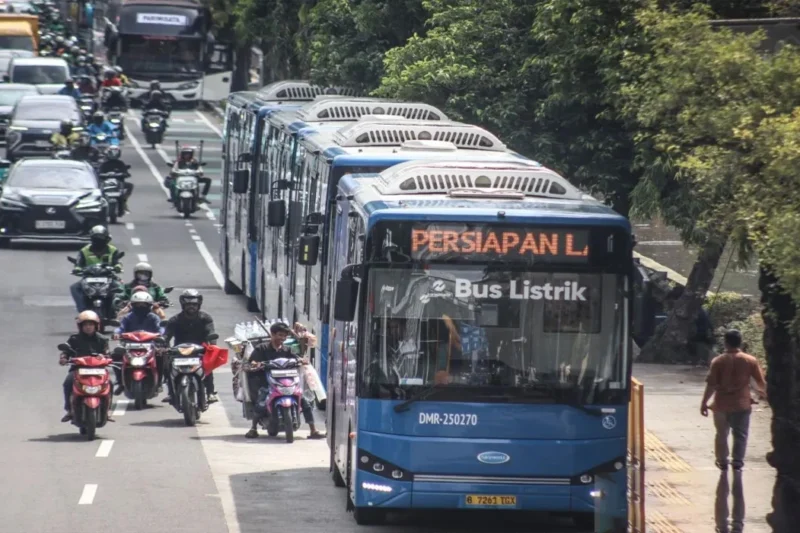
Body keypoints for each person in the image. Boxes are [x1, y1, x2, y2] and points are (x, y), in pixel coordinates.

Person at [244, 321, 325, 439]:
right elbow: (253, 362)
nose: (282, 338)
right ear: (272, 334)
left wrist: (302, 360)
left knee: (305, 402)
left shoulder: (287, 349)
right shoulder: (261, 348)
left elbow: (297, 358)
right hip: (267, 382)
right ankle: (253, 428)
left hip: (287, 382)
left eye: (284, 336)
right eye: (279, 335)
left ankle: (313, 430)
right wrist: (257, 364)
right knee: (261, 403)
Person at [700, 329, 767, 471]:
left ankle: (722, 461)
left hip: (720, 405)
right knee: (741, 434)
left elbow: (711, 385)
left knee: (721, 434)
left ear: (725, 342)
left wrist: (704, 403)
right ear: (740, 342)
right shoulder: (750, 360)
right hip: (742, 404)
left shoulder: (718, 361)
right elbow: (760, 383)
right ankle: (737, 462)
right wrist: (759, 396)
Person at [162, 289, 218, 404]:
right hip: (179, 350)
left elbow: (210, 332)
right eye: (188, 304)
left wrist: (212, 344)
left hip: (199, 350)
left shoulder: (205, 318)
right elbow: (166, 335)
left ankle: (210, 393)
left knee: (207, 367)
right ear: (183, 305)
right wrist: (162, 345)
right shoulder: (174, 320)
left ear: (199, 304)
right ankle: (171, 393)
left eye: (194, 304)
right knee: (166, 366)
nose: (191, 307)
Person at [60, 310, 112, 422]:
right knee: (67, 383)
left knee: (110, 384)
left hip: (98, 370)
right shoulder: (74, 339)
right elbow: (66, 351)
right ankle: (69, 410)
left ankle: (107, 410)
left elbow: (107, 354)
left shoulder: (103, 339)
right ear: (80, 326)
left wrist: (107, 358)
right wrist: (64, 358)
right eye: (85, 325)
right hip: (78, 369)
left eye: (91, 324)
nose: (88, 327)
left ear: (96, 326)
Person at [112, 291, 164, 394]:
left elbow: (160, 328)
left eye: (143, 304)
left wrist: (160, 335)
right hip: (129, 345)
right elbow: (120, 328)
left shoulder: (153, 317)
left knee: (162, 356)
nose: (141, 307)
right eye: (138, 304)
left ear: (149, 305)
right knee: (115, 355)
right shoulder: (128, 317)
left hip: (150, 345)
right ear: (133, 305)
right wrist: (117, 334)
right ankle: (120, 381)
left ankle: (159, 383)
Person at [70, 225, 124, 312]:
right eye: (96, 238)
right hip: (89, 278)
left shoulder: (113, 250)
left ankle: (116, 308)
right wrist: (77, 269)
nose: (99, 240)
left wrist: (117, 267)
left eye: (101, 238)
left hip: (108, 277)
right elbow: (79, 263)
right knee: (75, 288)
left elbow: (117, 262)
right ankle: (82, 309)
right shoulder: (84, 250)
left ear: (107, 238)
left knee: (120, 287)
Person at [98, 145, 133, 210]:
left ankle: (124, 200)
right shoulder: (104, 164)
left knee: (130, 186)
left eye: (115, 152)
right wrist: (102, 175)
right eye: (112, 152)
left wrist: (125, 174)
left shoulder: (120, 163)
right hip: (106, 183)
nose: (113, 154)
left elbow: (125, 172)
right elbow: (99, 172)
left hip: (118, 183)